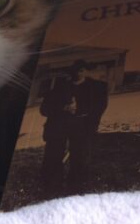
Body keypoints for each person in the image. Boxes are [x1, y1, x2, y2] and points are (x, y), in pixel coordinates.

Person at [39, 60, 109, 195]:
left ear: (85, 71)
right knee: (53, 155)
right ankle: (52, 185)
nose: (78, 73)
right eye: (75, 70)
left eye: (81, 70)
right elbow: (44, 109)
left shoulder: (96, 88)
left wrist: (80, 111)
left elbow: (99, 107)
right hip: (59, 126)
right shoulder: (59, 88)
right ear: (70, 72)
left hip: (82, 126)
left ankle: (76, 187)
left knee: (80, 157)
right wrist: (64, 108)